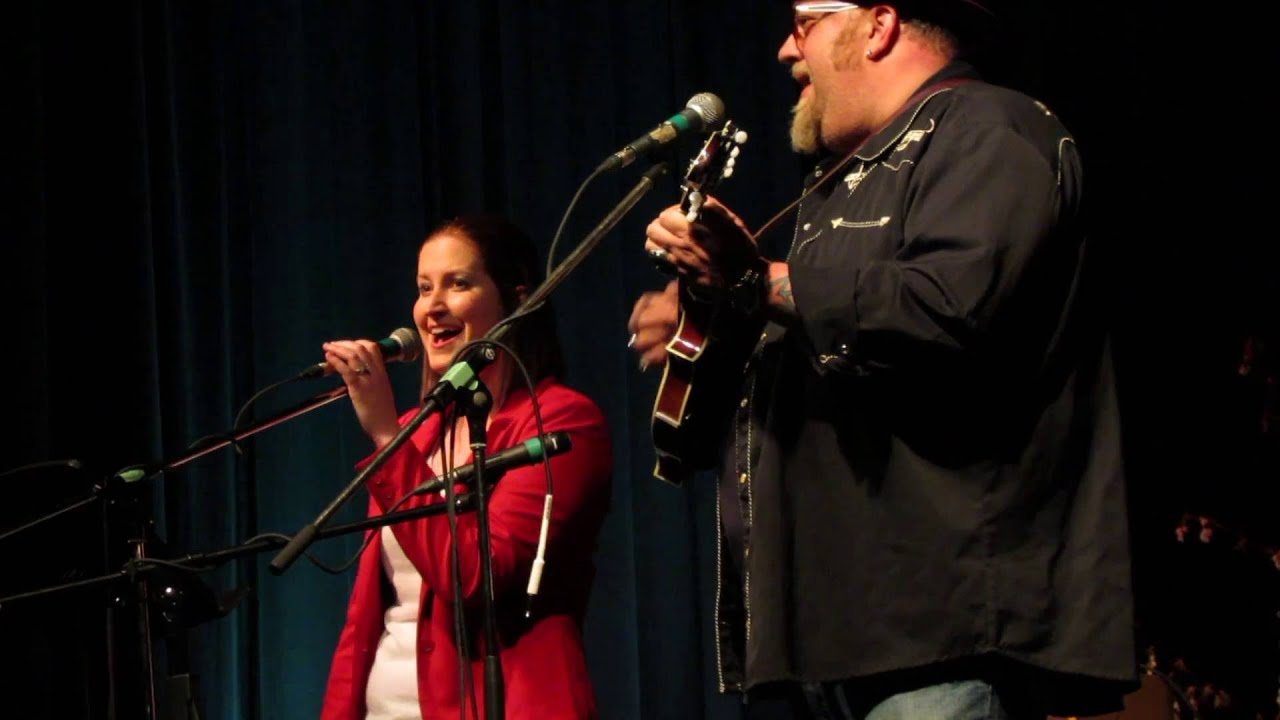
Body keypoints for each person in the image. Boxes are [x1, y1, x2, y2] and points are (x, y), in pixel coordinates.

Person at [627, 1, 1137, 718]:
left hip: (943, 633)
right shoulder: (845, 177)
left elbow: (947, 308)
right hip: (844, 636)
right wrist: (717, 313)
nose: (784, 51)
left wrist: (759, 281)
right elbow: (830, 353)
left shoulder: (988, 128)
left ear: (878, 25)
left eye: (802, 23)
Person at [320, 215, 612, 720]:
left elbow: (476, 577)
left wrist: (386, 438)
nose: (432, 306)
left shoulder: (563, 422)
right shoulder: (416, 432)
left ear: (516, 300)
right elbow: (363, 618)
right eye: (423, 287)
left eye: (458, 284)